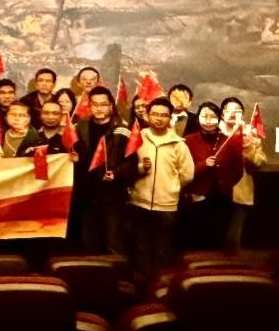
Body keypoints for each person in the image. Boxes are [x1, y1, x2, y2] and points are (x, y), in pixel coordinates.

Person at [128, 97, 194, 277]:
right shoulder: (138, 138)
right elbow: (127, 167)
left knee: (163, 248)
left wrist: (172, 187)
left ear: (170, 118)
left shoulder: (179, 144)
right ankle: (142, 283)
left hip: (167, 205)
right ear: (147, 116)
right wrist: (140, 169)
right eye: (155, 114)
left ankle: (160, 283)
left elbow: (187, 174)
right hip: (139, 202)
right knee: (140, 246)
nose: (158, 118)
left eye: (164, 115)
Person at [73, 86, 135, 254]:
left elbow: (132, 161)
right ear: (89, 106)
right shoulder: (80, 127)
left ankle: (118, 270)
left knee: (113, 242)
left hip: (112, 193)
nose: (99, 108)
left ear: (111, 106)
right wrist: (76, 159)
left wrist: (116, 173)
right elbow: (75, 154)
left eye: (103, 104)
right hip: (86, 192)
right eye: (95, 104)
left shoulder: (122, 129)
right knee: (88, 242)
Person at [182, 101, 242, 250]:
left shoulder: (228, 140)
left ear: (219, 118)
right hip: (196, 197)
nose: (208, 120)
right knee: (196, 238)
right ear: (198, 118)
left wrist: (226, 184)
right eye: (205, 116)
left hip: (222, 198)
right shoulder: (188, 140)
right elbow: (182, 171)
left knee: (218, 238)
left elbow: (238, 170)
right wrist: (203, 165)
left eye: (213, 116)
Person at [219, 97, 266, 252]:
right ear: (222, 114)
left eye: (238, 111)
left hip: (241, 189)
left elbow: (258, 163)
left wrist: (248, 147)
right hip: (215, 190)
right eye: (229, 110)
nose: (233, 113)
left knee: (233, 237)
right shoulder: (214, 131)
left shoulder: (249, 135)